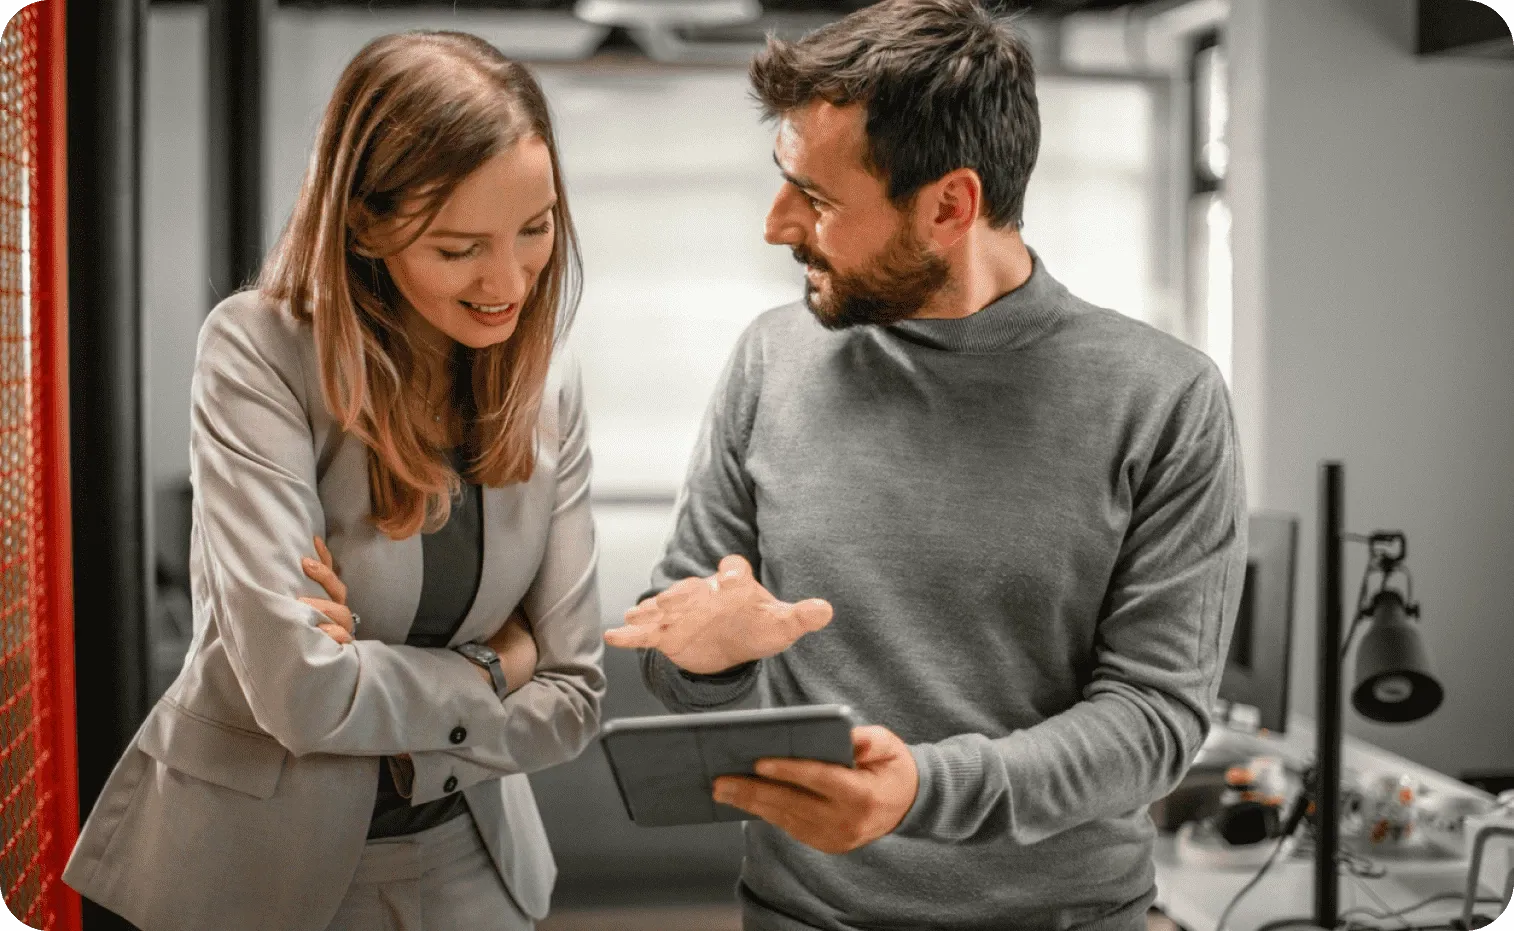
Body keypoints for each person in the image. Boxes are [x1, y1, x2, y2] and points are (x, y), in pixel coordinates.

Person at [603, 1, 1247, 929]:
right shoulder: (769, 358)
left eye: (818, 200)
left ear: (950, 206)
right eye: (785, 183)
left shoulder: (1165, 399)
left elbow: (1154, 719)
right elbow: (679, 646)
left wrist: (921, 790)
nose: (778, 226)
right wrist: (707, 661)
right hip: (803, 915)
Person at [63, 31, 604, 931]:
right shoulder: (256, 350)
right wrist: (497, 662)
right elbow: (301, 692)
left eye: (536, 228)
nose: (507, 281)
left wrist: (384, 694)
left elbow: (577, 697)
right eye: (459, 245)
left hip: (475, 855)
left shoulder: (549, 380)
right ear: (363, 222)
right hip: (258, 868)